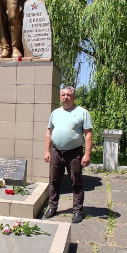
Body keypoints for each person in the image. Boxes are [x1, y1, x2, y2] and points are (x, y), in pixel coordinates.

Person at [43, 86, 93, 224]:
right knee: (54, 181)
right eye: (63, 95)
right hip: (57, 152)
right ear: (60, 97)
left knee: (76, 182)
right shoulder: (55, 113)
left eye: (69, 95)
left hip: (74, 153)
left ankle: (77, 211)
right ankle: (52, 207)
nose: (66, 97)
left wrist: (87, 154)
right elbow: (49, 133)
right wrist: (47, 151)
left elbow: (88, 134)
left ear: (74, 97)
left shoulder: (82, 112)